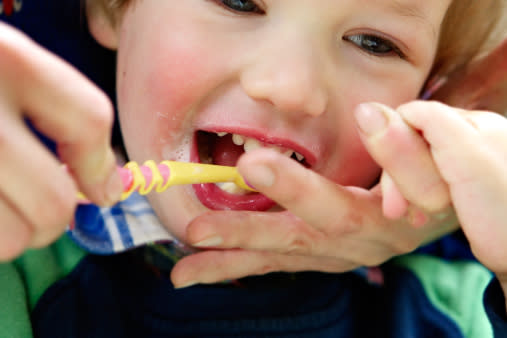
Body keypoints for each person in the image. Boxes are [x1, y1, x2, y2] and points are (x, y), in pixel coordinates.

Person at [0, 0, 506, 337]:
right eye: (238, 0)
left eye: (374, 42)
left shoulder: (461, 309)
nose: (289, 86)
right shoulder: (15, 267)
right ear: (114, 8)